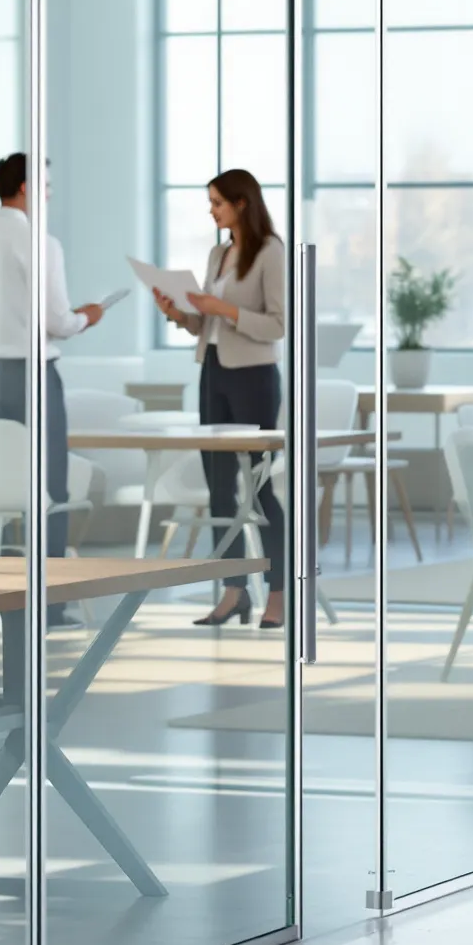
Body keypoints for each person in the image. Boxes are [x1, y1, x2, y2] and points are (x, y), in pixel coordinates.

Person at [0, 153, 106, 560]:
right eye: (46, 187)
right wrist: (86, 318)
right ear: (25, 188)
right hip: (34, 376)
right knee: (50, 483)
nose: (48, 195)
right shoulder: (42, 244)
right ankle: (49, 599)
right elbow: (57, 321)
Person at [155, 169, 289, 628]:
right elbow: (204, 324)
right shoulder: (218, 253)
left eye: (217, 202)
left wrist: (224, 309)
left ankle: (278, 593)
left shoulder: (271, 252)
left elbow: (278, 324)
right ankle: (233, 591)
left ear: (242, 203)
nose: (211, 210)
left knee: (258, 487)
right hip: (213, 373)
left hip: (253, 377)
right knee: (219, 487)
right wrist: (180, 313)